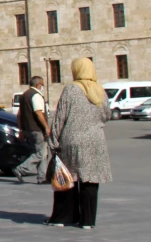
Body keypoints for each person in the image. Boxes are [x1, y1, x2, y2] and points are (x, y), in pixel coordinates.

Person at [47, 57, 111, 228]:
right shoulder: (100, 91)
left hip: (72, 140)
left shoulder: (71, 90)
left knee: (68, 179)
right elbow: (107, 115)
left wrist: (53, 142)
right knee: (90, 180)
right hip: (95, 141)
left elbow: (60, 117)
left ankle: (64, 217)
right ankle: (88, 221)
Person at [13, 76, 50, 184]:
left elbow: (19, 114)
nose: (43, 86)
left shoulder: (24, 95)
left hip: (27, 129)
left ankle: (42, 177)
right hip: (36, 129)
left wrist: (21, 130)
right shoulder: (36, 96)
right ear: (38, 85)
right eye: (42, 84)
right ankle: (21, 169)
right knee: (40, 153)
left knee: (42, 152)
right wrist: (46, 127)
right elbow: (38, 112)